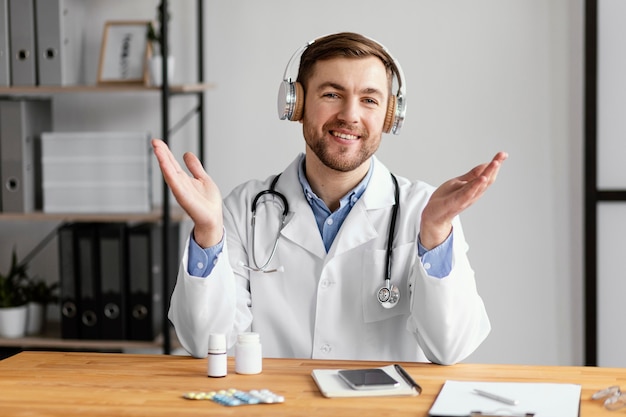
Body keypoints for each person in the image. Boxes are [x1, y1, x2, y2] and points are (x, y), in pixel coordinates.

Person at [152, 32, 507, 365]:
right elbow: (203, 342)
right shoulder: (243, 209)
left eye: (369, 99)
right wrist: (208, 230)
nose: (350, 115)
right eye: (331, 94)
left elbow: (451, 348)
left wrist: (436, 234)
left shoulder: (425, 210)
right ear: (297, 104)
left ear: (389, 116)